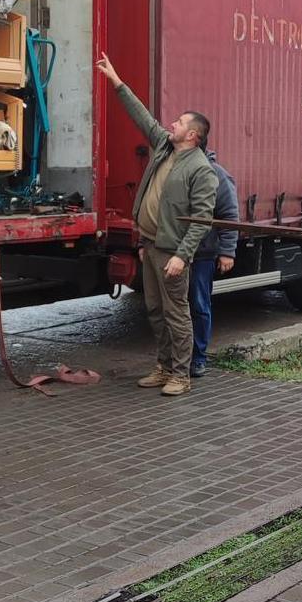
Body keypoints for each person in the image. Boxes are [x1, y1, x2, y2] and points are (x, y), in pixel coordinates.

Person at [95, 53, 217, 396]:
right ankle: (163, 368)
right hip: (149, 243)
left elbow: (201, 219)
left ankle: (182, 375)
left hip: (172, 252)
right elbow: (142, 118)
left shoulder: (201, 170)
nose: (171, 125)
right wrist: (117, 81)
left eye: (178, 122)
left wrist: (182, 255)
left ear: (192, 135)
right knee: (154, 310)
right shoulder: (164, 147)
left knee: (177, 313)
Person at [188, 147, 238, 378]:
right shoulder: (176, 171)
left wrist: (227, 251)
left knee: (199, 305)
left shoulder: (217, 174)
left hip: (202, 254)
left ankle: (199, 357)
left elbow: (229, 215)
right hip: (174, 252)